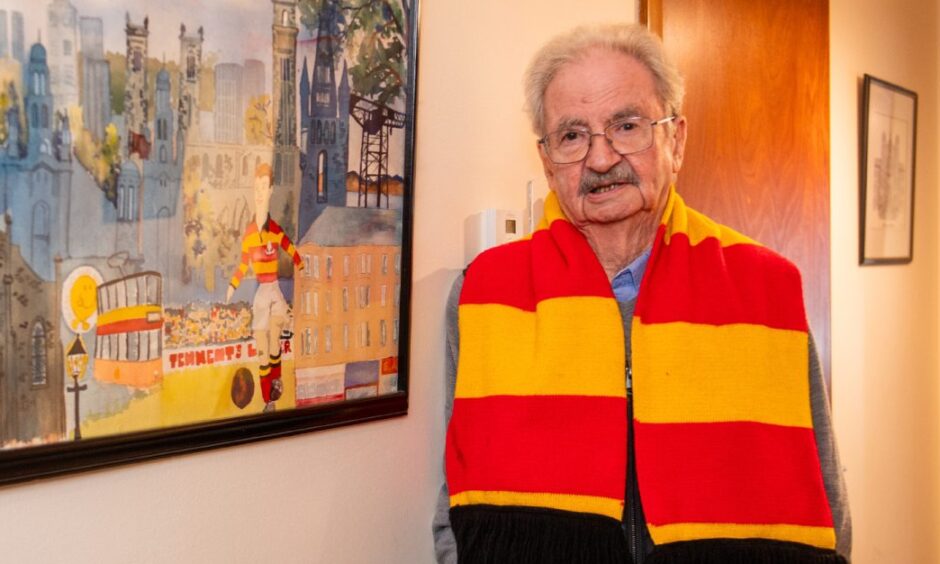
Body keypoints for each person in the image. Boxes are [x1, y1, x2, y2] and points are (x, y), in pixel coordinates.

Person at [433, 23, 851, 564]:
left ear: (675, 139)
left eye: (626, 126)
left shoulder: (767, 289)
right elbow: (456, 510)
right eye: (572, 135)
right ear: (546, 159)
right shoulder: (483, 294)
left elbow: (825, 503)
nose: (601, 159)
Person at [226, 163, 302, 412]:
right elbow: (243, 264)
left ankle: (275, 389)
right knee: (261, 346)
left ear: (270, 190)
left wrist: (301, 263)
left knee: (273, 343)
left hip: (274, 290)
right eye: (255, 187)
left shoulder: (275, 229)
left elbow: (289, 246)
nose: (259, 192)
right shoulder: (249, 234)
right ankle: (268, 401)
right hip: (260, 294)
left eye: (263, 187)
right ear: (253, 190)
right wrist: (232, 285)